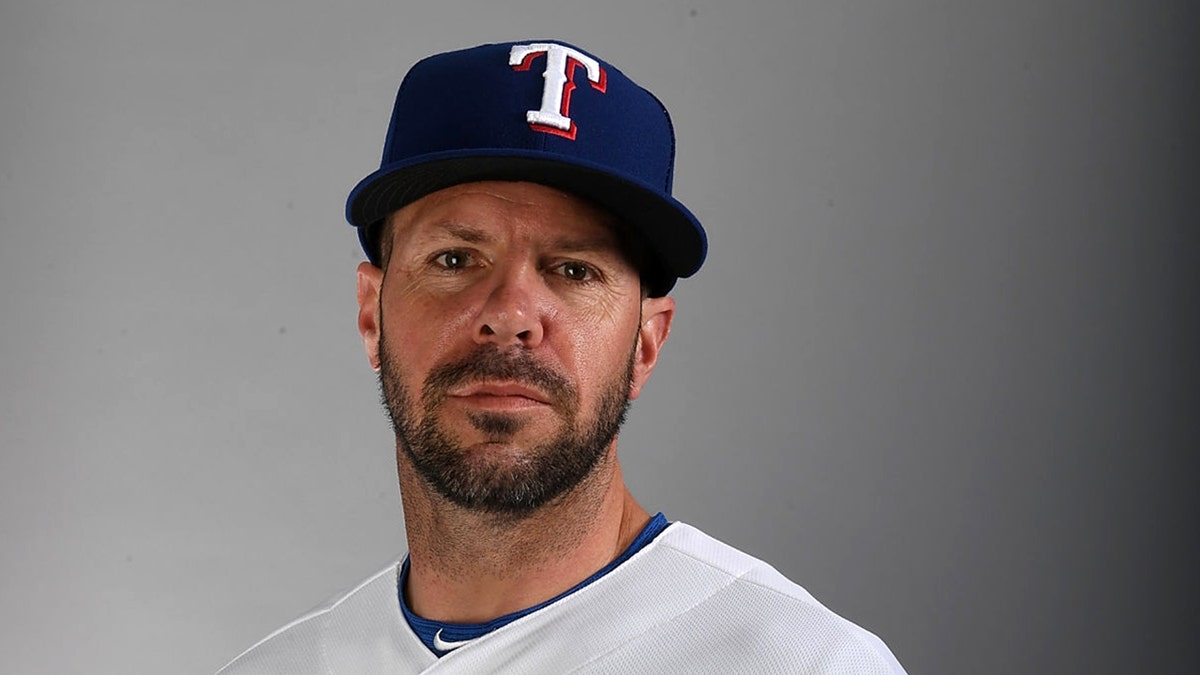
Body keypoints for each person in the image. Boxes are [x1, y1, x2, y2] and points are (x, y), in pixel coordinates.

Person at [217, 39, 906, 674]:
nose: (512, 316)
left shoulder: (805, 662)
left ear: (646, 342)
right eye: (455, 258)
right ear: (373, 314)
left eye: (574, 271)